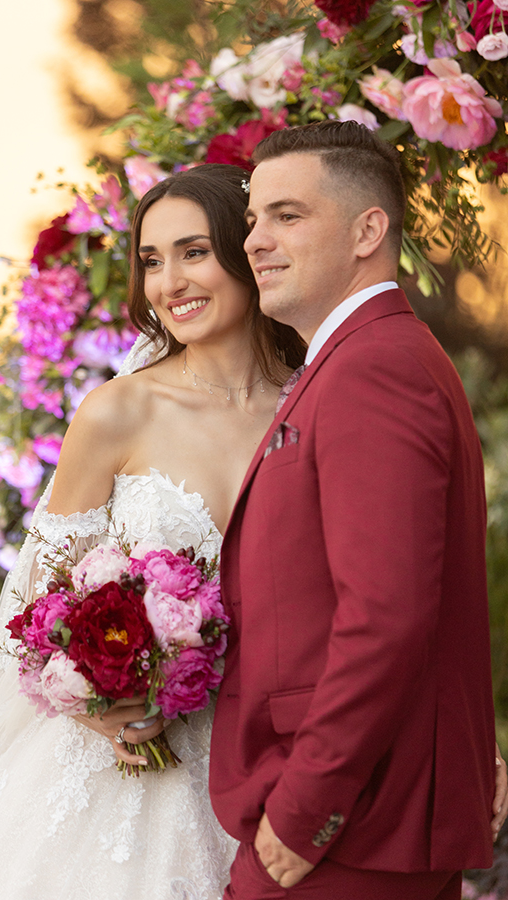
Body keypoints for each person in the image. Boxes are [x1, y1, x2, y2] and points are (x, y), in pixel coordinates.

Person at [0, 164, 305, 900]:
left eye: (192, 252)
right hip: (118, 771)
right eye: (151, 261)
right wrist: (104, 703)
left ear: (246, 251)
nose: (167, 283)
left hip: (262, 763)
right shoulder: (117, 412)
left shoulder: (312, 406)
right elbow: (35, 611)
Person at [209, 119, 508, 900]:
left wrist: (306, 810)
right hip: (369, 812)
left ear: (369, 229)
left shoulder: (375, 368)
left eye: (288, 215)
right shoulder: (357, 360)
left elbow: (388, 614)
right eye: (252, 221)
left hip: (352, 825)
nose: (256, 242)